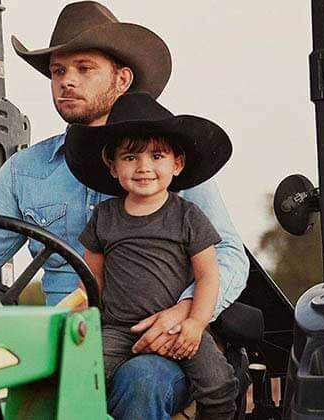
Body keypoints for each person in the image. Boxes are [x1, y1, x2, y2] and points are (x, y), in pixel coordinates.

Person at [0, 2, 249, 419]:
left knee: (143, 380)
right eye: (58, 72)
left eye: (83, 68)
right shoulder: (27, 170)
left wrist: (185, 313)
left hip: (162, 343)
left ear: (122, 79)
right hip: (67, 339)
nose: (66, 82)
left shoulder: (168, 164)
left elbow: (227, 256)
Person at [65, 91, 239, 419]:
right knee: (78, 375)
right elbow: (91, 281)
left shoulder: (188, 216)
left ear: (177, 163)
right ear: (112, 166)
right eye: (130, 158)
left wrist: (196, 323)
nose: (144, 167)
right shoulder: (104, 217)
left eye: (157, 156)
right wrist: (83, 320)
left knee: (219, 383)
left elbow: (208, 276)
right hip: (118, 329)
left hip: (178, 326)